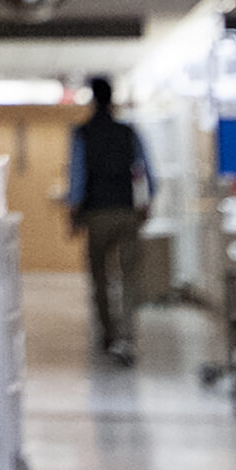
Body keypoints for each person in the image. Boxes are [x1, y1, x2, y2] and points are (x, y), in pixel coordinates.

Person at [67, 75, 154, 367]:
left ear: (92, 99)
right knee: (130, 277)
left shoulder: (82, 133)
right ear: (113, 98)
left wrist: (74, 212)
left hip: (97, 214)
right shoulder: (128, 132)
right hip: (127, 211)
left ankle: (108, 334)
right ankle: (127, 337)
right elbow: (147, 171)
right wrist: (148, 202)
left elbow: (77, 176)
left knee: (100, 277)